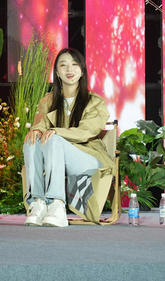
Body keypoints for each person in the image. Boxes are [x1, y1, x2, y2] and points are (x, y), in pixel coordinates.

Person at [23, 48, 113, 227]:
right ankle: (38, 203)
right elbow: (40, 125)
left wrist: (57, 132)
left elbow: (87, 131)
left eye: (74, 64)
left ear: (82, 70)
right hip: (56, 158)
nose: (69, 69)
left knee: (54, 138)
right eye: (63, 65)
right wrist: (36, 131)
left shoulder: (95, 102)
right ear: (57, 73)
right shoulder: (48, 101)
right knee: (31, 140)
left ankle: (57, 204)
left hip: (88, 158)